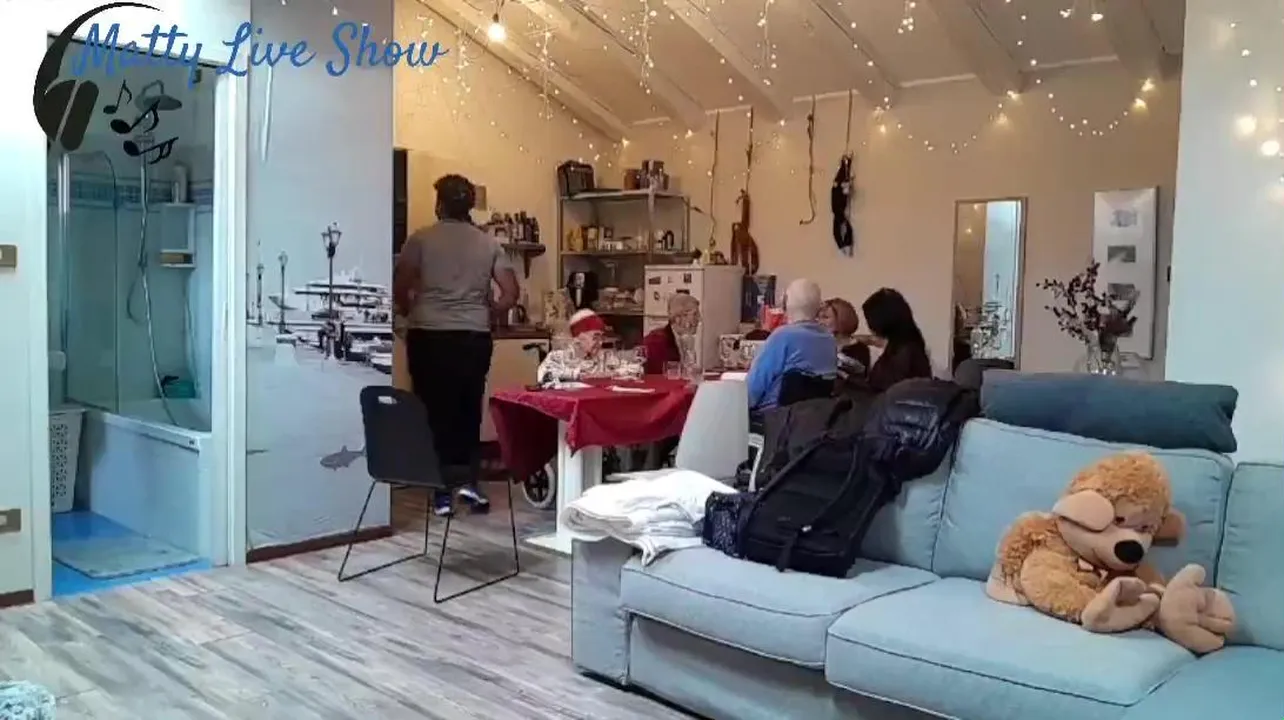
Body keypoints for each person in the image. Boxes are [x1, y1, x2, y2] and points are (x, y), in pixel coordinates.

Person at [393, 174, 519, 517]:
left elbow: (401, 286)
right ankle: (469, 484)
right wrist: (488, 311)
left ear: (440, 205)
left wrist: (410, 311)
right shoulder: (488, 244)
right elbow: (510, 294)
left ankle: (440, 492)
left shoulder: (420, 239)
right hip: (473, 337)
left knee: (433, 413)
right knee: (467, 411)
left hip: (429, 334)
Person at [745, 278, 837, 411]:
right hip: (816, 417)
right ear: (818, 307)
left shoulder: (782, 337)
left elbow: (751, 392)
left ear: (785, 303)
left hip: (773, 417)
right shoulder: (829, 339)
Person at [850, 287, 933, 392]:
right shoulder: (907, 342)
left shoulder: (904, 353)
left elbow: (884, 391)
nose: (869, 325)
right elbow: (874, 340)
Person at [536, 309, 608, 383]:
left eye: (602, 338)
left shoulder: (603, 358)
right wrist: (576, 374)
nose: (600, 343)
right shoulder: (558, 357)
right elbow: (542, 377)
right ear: (577, 338)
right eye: (595, 337)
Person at [642, 294, 700, 375]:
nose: (699, 319)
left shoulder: (684, 338)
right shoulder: (657, 341)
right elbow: (663, 375)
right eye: (695, 314)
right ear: (678, 319)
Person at [818, 297, 871, 374]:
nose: (819, 322)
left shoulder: (860, 350)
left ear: (842, 319)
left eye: (825, 317)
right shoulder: (819, 345)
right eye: (818, 318)